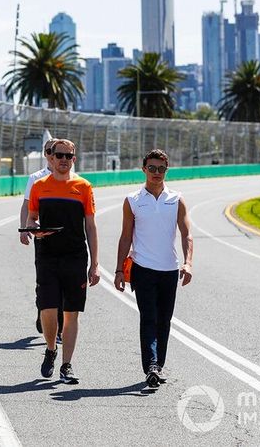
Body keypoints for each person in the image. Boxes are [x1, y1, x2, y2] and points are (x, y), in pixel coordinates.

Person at [114, 149, 193, 388]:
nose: (156, 173)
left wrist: (188, 263)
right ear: (144, 170)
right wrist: (119, 270)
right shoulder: (133, 201)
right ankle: (150, 365)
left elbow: (187, 234)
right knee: (148, 318)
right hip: (143, 268)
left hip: (169, 270)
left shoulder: (176, 199)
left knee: (164, 320)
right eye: (152, 168)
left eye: (161, 169)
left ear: (166, 171)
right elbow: (125, 236)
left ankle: (158, 365)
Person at [26, 138, 100, 384]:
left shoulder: (84, 186)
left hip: (75, 257)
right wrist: (33, 229)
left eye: (69, 156)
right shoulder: (39, 186)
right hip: (47, 256)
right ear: (51, 157)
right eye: (60, 155)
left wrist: (95, 263)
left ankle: (66, 365)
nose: (64, 160)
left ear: (74, 159)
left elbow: (90, 225)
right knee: (48, 309)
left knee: (71, 313)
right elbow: (32, 218)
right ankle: (50, 349)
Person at [19, 137, 64, 343]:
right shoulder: (36, 178)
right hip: (42, 237)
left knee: (64, 283)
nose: (53, 155)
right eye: (49, 151)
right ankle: (42, 310)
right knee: (43, 281)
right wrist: (24, 230)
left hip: (66, 237)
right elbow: (27, 204)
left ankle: (60, 328)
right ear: (47, 155)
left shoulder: (72, 177)